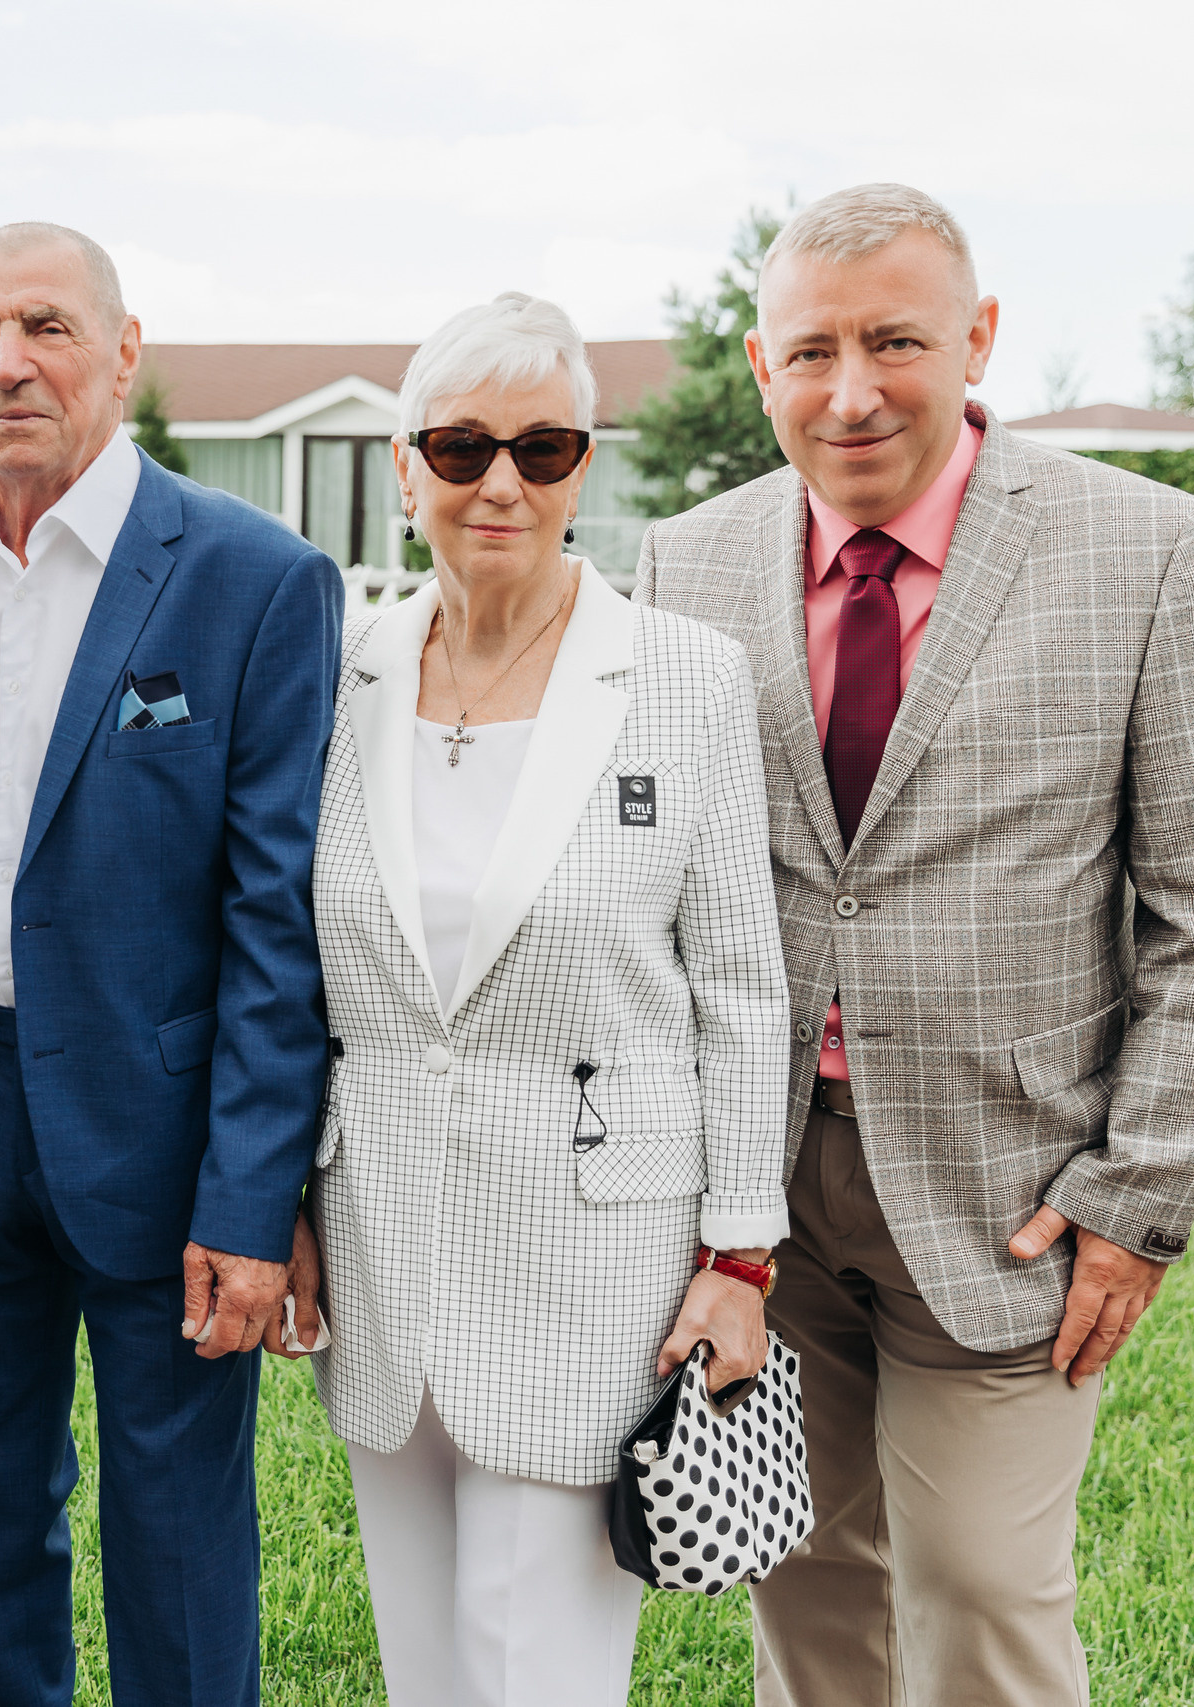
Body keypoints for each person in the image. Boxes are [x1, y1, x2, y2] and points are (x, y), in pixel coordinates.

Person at [634, 183, 1194, 1705]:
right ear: (757, 365)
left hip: (1017, 1201)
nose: (851, 391)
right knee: (800, 1576)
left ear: (980, 336)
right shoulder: (688, 564)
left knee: (983, 1591)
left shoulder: (1149, 550)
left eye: (897, 342)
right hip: (755, 1194)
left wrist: (1136, 1202)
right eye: (812, 352)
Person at [274, 292, 792, 1707]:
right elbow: (302, 981)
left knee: (544, 1677)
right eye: (459, 446)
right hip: (379, 1247)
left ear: (584, 466)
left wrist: (741, 1260)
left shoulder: (684, 679)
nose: (500, 481)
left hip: (593, 1268)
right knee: (426, 1672)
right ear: (403, 468)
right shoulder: (341, 673)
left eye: (543, 447)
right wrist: (288, 1208)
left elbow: (744, 990)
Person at [0, 222, 342, 1706]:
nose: (7, 362)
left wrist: (252, 1201)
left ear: (124, 353)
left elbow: (280, 921)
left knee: (176, 1533)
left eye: (48, 327)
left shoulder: (257, 581)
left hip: (166, 1137)